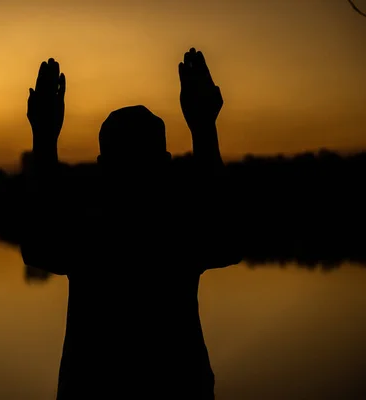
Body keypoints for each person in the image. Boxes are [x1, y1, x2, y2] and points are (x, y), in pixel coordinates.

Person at [21, 48, 241, 399]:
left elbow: (38, 245)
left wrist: (45, 139)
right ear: (164, 163)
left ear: (103, 165)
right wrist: (204, 128)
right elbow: (226, 239)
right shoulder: (177, 232)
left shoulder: (90, 235)